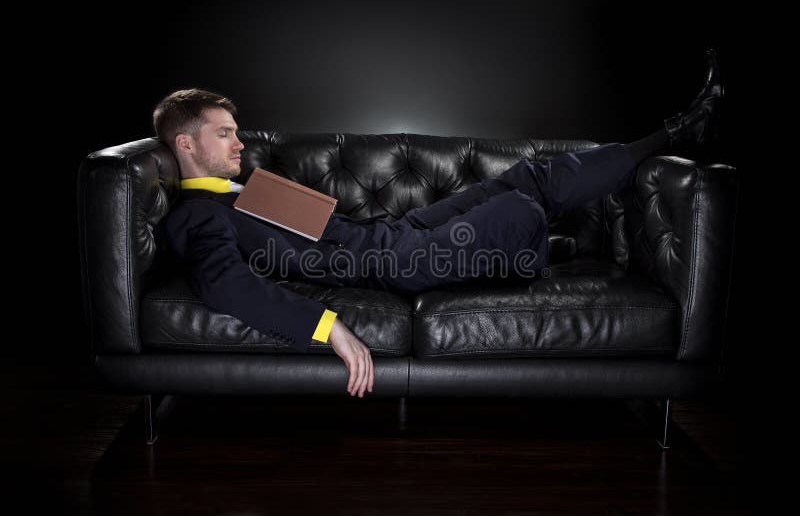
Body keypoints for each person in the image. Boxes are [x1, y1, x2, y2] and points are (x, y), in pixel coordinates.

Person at [157, 49, 724, 400]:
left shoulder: (242, 187)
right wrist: (329, 326)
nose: (239, 140)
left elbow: (325, 226)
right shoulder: (198, 214)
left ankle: (673, 132)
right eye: (224, 133)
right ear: (185, 143)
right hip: (392, 264)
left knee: (527, 179)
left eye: (236, 130)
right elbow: (226, 285)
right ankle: (532, 250)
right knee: (520, 211)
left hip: (394, 232)